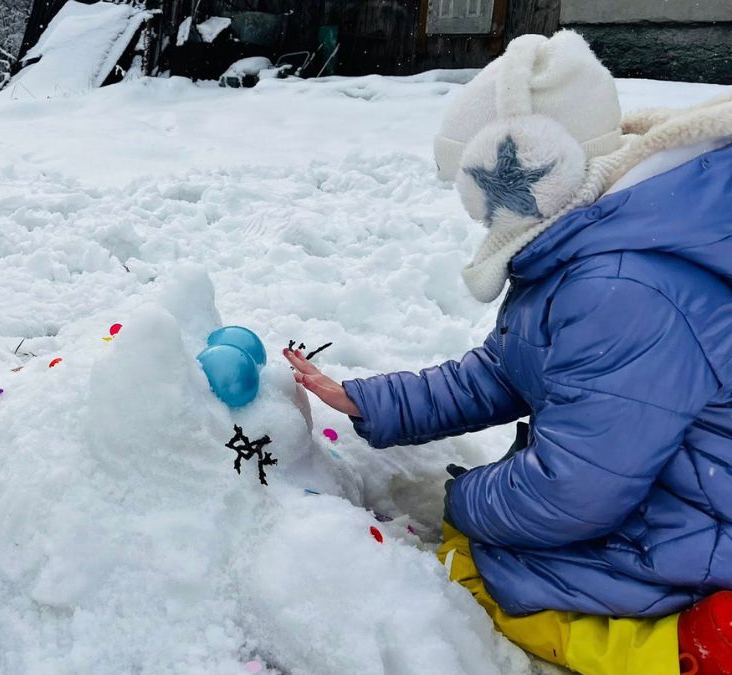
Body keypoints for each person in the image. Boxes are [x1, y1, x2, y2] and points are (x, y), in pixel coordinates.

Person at [284, 30, 732, 675]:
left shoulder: (620, 288)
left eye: (463, 178)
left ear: (523, 166)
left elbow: (574, 494)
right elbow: (508, 367)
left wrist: (463, 502)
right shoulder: (600, 240)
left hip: (695, 523)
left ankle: (689, 645)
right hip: (679, 488)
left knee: (495, 581)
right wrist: (371, 400)